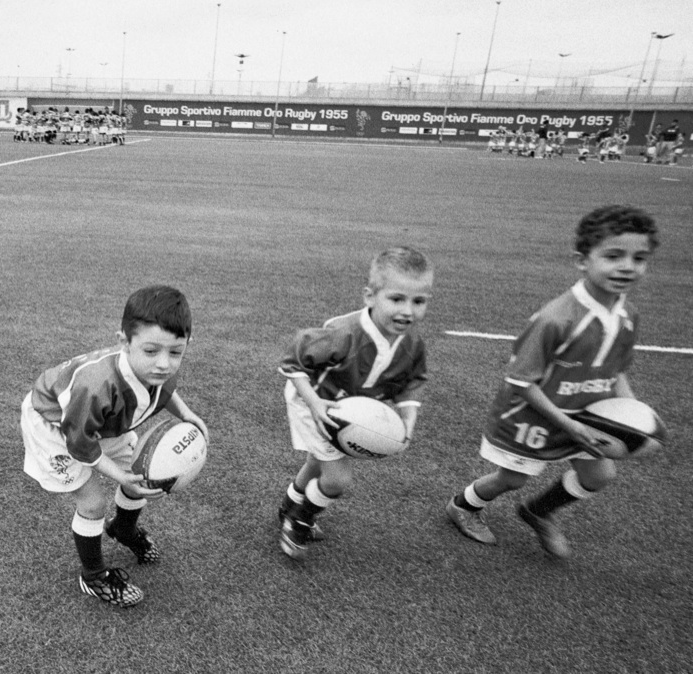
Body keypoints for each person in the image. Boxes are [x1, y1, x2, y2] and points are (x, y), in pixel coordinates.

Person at [446, 205, 659, 558]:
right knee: (512, 479)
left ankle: (539, 511)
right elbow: (521, 383)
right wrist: (568, 425)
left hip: (589, 416)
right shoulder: (555, 319)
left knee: (599, 475)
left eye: (639, 258)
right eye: (613, 256)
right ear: (582, 261)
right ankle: (463, 506)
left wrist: (635, 424)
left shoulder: (628, 315)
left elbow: (617, 370)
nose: (626, 266)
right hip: (531, 417)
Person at [20, 285, 208, 607]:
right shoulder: (96, 386)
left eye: (175, 352)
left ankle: (122, 528)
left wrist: (187, 414)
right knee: (93, 500)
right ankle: (93, 576)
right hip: (55, 426)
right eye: (151, 351)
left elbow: (166, 389)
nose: (164, 363)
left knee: (141, 473)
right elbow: (79, 443)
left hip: (101, 422)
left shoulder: (157, 369)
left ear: (186, 344)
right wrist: (118, 476)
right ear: (124, 342)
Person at [276, 247, 431, 560]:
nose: (407, 311)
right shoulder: (343, 333)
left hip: (348, 409)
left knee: (318, 463)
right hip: (314, 405)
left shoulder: (412, 343)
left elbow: (412, 382)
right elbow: (293, 363)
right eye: (397, 298)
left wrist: (408, 418)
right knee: (337, 478)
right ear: (370, 296)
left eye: (419, 301)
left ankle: (288, 507)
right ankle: (300, 521)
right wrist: (315, 404)